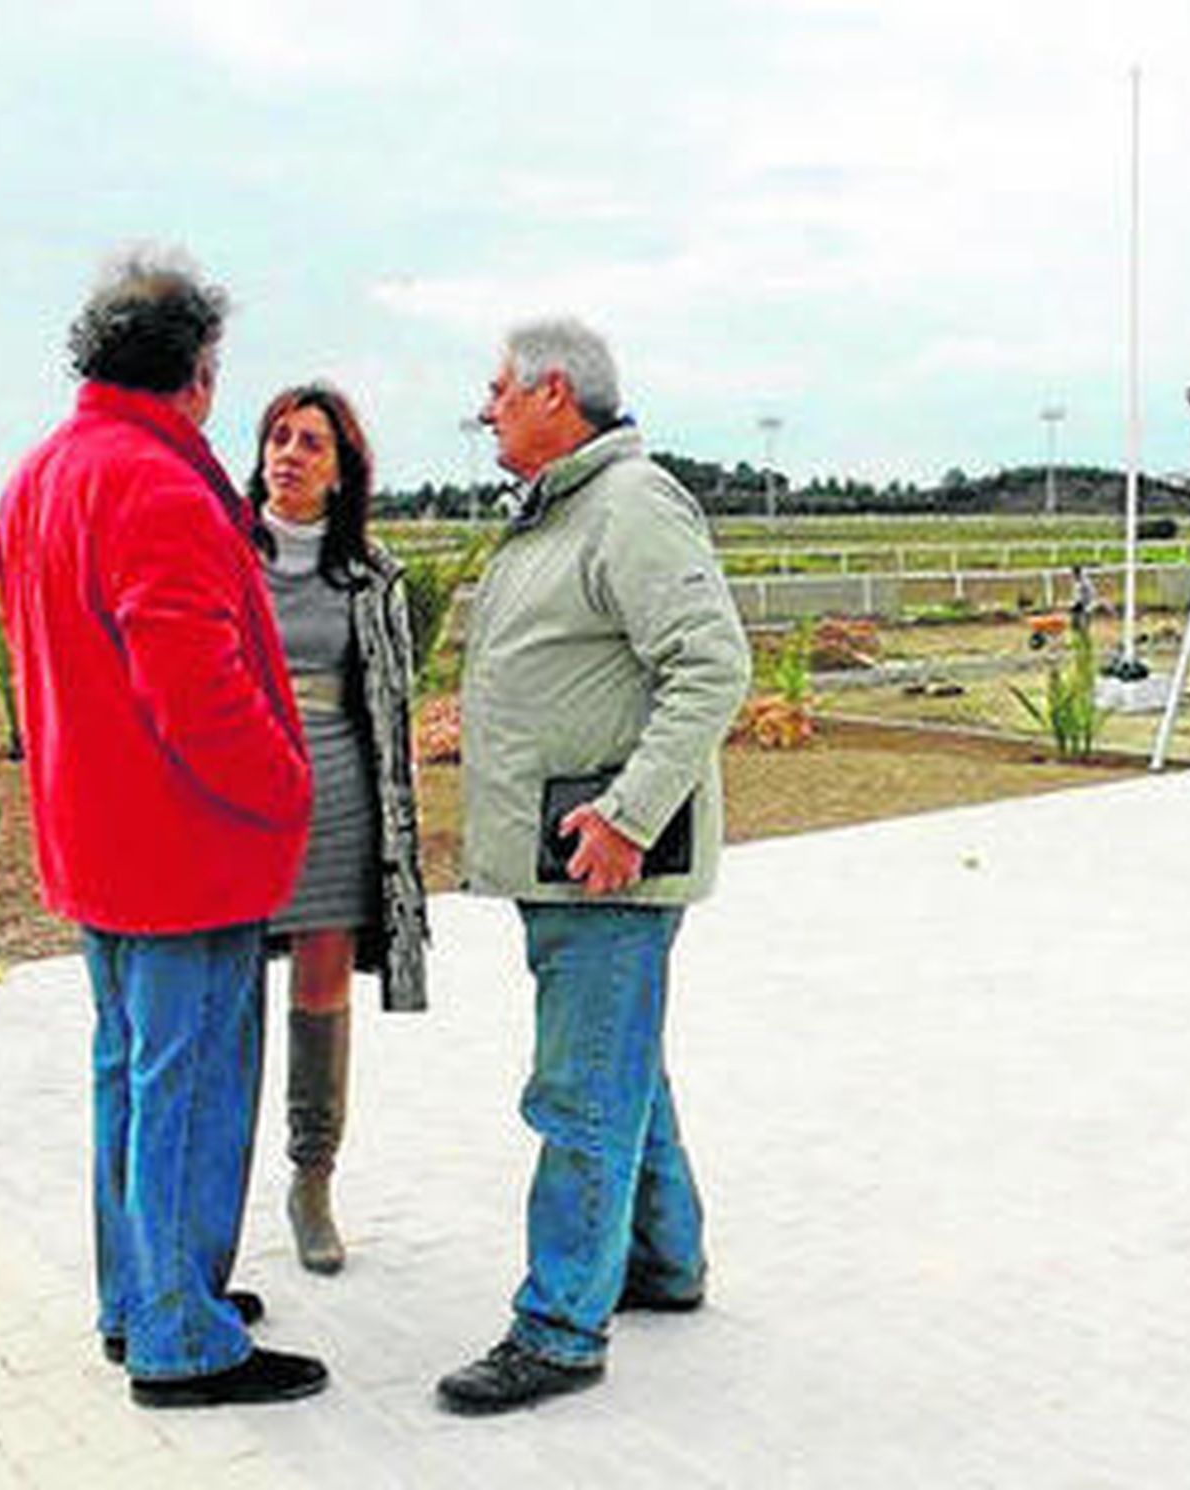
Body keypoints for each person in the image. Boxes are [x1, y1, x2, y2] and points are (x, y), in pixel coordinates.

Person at [0, 250, 328, 1408]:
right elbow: (199, 688)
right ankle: (181, 1334)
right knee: (186, 1084)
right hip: (182, 847)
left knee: (132, 1078)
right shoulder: (158, 484)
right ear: (196, 371)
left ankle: (141, 1292)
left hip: (97, 838)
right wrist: (288, 784)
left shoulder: (44, 471)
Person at [436, 318, 751, 1415]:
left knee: (579, 1090)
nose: (485, 406)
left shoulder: (629, 504)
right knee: (623, 1066)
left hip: (605, 861)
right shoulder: (568, 507)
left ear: (551, 391)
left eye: (497, 388)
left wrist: (624, 815)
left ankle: (560, 1326)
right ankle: (664, 1260)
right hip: (568, 858)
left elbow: (713, 665)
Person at [246, 383, 429, 1274]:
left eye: (311, 442)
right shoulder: (220, 552)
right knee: (223, 989)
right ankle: (208, 1185)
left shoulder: (372, 573)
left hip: (338, 798)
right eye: (279, 437)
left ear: (341, 466)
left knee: (320, 991)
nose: (289, 453)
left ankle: (310, 1179)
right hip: (235, 800)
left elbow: (391, 705)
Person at [1069, 562, 1097, 635]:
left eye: (1074, 573)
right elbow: (1077, 592)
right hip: (1081, 601)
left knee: (1087, 613)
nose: (1073, 575)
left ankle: (1086, 630)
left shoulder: (1085, 581)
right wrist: (1074, 601)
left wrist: (1088, 602)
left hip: (1088, 601)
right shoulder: (1077, 580)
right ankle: (1076, 628)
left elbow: (1091, 592)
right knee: (1074, 612)